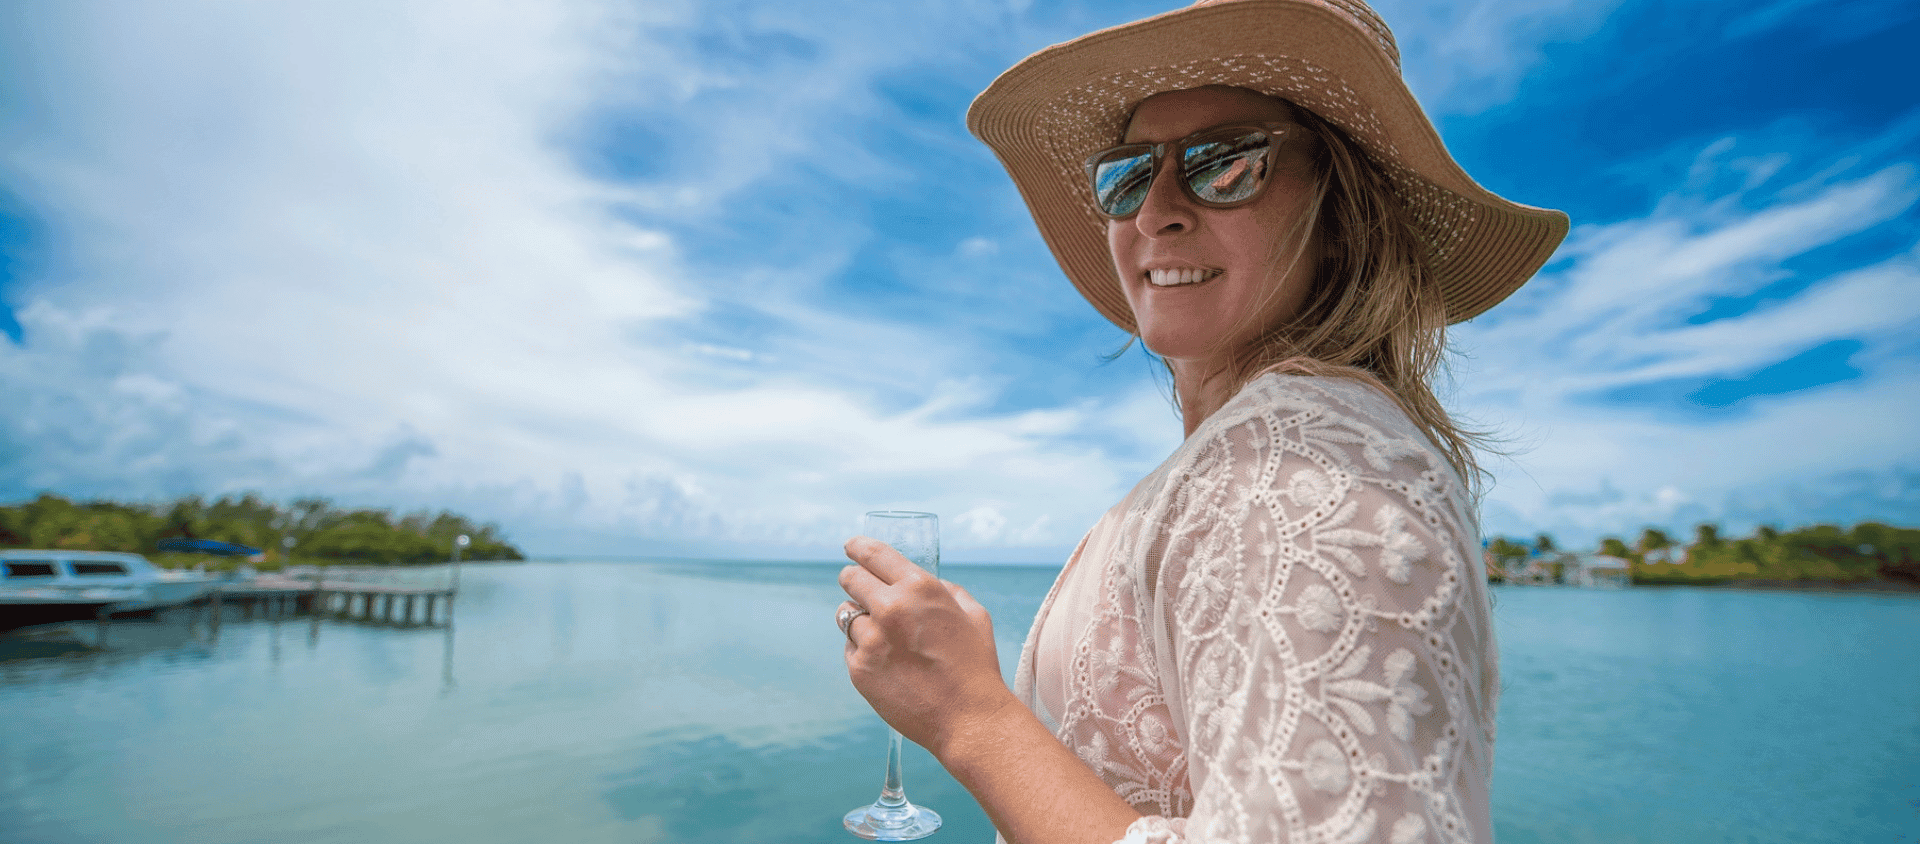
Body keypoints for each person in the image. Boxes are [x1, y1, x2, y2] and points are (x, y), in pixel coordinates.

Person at [835, 1, 1567, 841]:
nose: (1156, 211)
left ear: (1343, 216)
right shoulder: (1254, 454)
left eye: (1225, 164)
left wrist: (969, 716)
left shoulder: (1299, 456)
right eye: (1128, 177)